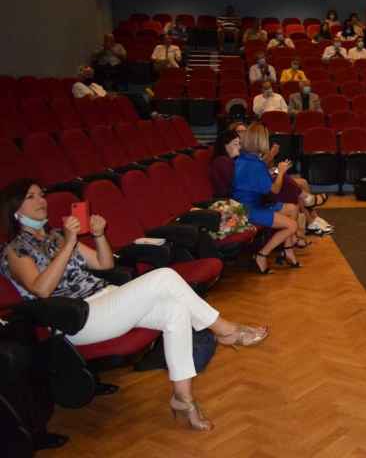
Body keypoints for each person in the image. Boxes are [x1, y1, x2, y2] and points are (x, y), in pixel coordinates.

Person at [0, 180, 268, 432]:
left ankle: (183, 398)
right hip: (75, 317)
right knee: (165, 277)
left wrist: (99, 235)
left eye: (41, 194)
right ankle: (224, 330)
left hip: (105, 298)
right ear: (15, 210)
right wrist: (70, 244)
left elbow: (105, 264)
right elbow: (41, 289)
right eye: (30, 197)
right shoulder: (15, 250)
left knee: (175, 311)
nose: (41, 200)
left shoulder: (58, 236)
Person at [232, 124, 305, 273]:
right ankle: (261, 255)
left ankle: (288, 251)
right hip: (248, 210)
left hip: (245, 205)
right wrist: (282, 172)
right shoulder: (255, 164)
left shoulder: (243, 158)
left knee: (292, 208)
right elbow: (275, 190)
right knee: (292, 226)